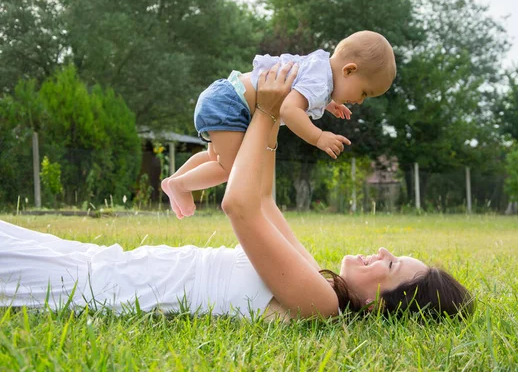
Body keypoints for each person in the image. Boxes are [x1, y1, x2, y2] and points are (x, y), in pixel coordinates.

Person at [0, 63, 473, 321]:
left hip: (106, 289)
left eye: (391, 266)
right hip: (111, 263)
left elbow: (239, 205)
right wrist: (261, 112)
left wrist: (267, 115)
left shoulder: (321, 304)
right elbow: (264, 201)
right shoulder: (312, 273)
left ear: (378, 304)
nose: (383, 251)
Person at [162, 30, 397, 219]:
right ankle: (181, 186)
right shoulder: (320, 80)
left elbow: (299, 91)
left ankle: (172, 182)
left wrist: (327, 104)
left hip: (226, 96)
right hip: (232, 106)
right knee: (231, 169)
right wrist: (318, 136)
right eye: (364, 92)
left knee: (215, 159)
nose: (360, 100)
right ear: (349, 70)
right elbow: (289, 109)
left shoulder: (320, 66)